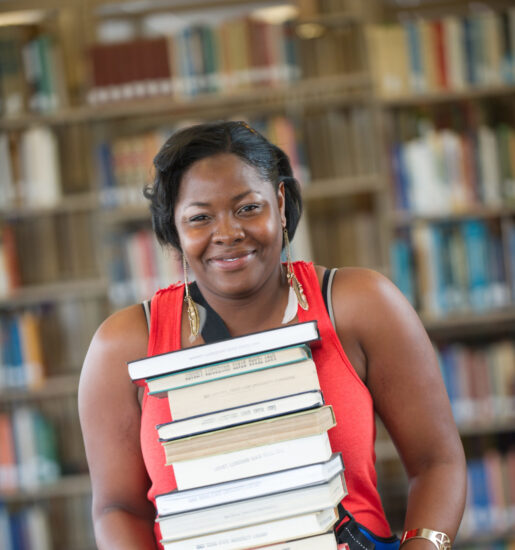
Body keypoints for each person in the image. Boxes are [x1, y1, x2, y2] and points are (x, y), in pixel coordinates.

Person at [78, 120, 467, 550]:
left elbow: (437, 463)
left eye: (247, 208)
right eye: (200, 218)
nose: (227, 233)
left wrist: (424, 546)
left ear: (279, 203)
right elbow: (118, 509)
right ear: (174, 228)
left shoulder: (359, 305)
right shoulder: (122, 347)